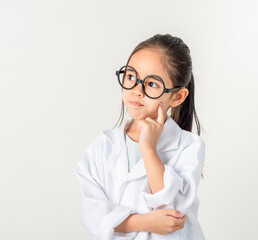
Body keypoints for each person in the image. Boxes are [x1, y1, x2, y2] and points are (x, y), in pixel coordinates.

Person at [75, 33, 206, 239]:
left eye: (152, 84)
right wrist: (145, 222)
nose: (137, 90)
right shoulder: (102, 146)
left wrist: (148, 149)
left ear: (177, 96)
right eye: (131, 77)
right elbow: (92, 213)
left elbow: (172, 214)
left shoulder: (189, 147)